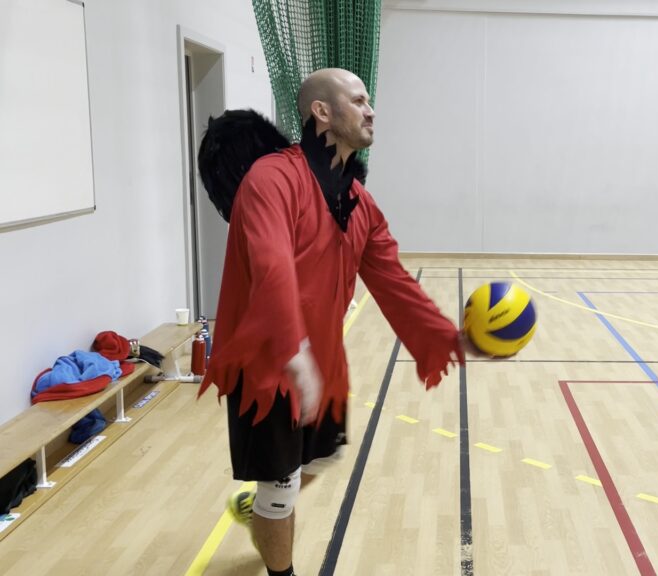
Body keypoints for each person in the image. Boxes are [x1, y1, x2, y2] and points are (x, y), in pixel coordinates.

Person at [196, 68, 465, 576]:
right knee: (281, 488)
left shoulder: (359, 203)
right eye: (359, 100)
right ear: (322, 112)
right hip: (268, 362)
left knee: (316, 462)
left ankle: (264, 508)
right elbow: (271, 265)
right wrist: (293, 353)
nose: (371, 110)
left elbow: (394, 282)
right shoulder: (272, 179)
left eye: (369, 101)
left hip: (320, 359)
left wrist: (448, 338)